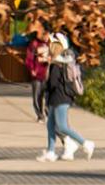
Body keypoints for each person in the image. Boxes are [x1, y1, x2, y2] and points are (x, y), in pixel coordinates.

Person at [38, 33, 93, 162]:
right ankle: (51, 152)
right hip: (55, 98)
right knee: (50, 126)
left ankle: (85, 143)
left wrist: (44, 87)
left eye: (52, 45)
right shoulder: (59, 62)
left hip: (61, 98)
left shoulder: (57, 64)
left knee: (62, 126)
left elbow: (53, 83)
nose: (49, 47)